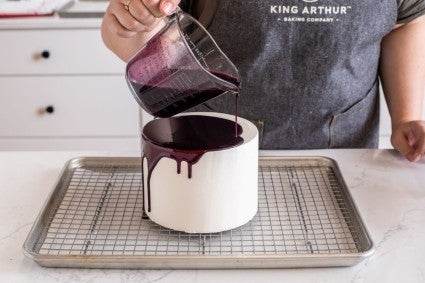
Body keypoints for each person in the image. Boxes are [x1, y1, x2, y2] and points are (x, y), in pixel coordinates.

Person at [101, 0, 425, 162]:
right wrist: (133, 24)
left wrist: (407, 116)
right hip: (209, 155)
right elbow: (143, 33)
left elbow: (407, 21)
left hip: (343, 158)